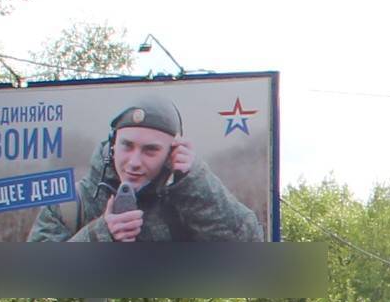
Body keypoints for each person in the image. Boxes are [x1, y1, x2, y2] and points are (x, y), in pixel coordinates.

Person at [29, 96, 263, 245]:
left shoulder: (190, 198)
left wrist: (195, 180)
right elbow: (32, 295)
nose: (134, 162)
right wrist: (101, 235)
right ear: (113, 144)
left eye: (150, 150)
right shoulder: (69, 205)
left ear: (171, 153)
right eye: (127, 146)